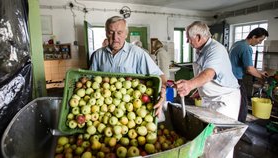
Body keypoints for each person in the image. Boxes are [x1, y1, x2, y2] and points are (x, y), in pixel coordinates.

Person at [175, 21, 241, 158]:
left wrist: (189, 85)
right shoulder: (200, 50)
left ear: (198, 37)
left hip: (224, 100)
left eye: (188, 38)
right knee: (208, 139)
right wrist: (198, 90)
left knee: (222, 143)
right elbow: (204, 76)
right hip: (210, 100)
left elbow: (208, 73)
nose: (187, 41)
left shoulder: (216, 49)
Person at [90, 16, 166, 116]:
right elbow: (90, 81)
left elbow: (160, 76)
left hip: (131, 112)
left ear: (126, 34)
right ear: (106, 33)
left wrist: (162, 94)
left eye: (119, 33)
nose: (115, 37)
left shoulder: (138, 53)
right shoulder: (98, 55)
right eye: (111, 32)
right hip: (104, 112)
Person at [229, 27, 269, 123]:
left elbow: (244, 66)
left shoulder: (237, 44)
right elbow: (250, 70)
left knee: (235, 104)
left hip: (230, 78)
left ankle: (233, 123)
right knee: (243, 105)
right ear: (254, 36)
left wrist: (259, 72)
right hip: (236, 80)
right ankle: (239, 127)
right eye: (260, 40)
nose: (260, 43)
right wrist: (263, 79)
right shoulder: (246, 48)